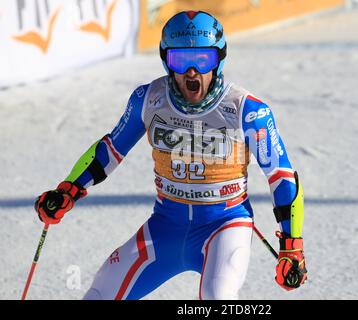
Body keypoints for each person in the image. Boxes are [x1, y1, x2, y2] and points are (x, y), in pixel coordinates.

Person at [34, 10, 307, 300]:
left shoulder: (247, 109)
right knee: (100, 293)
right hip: (165, 226)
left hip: (225, 225)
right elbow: (111, 150)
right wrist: (69, 189)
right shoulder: (149, 99)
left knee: (219, 297)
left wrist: (292, 245)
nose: (192, 72)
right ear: (166, 60)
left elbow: (281, 175)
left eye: (203, 60)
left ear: (219, 59)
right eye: (181, 60)